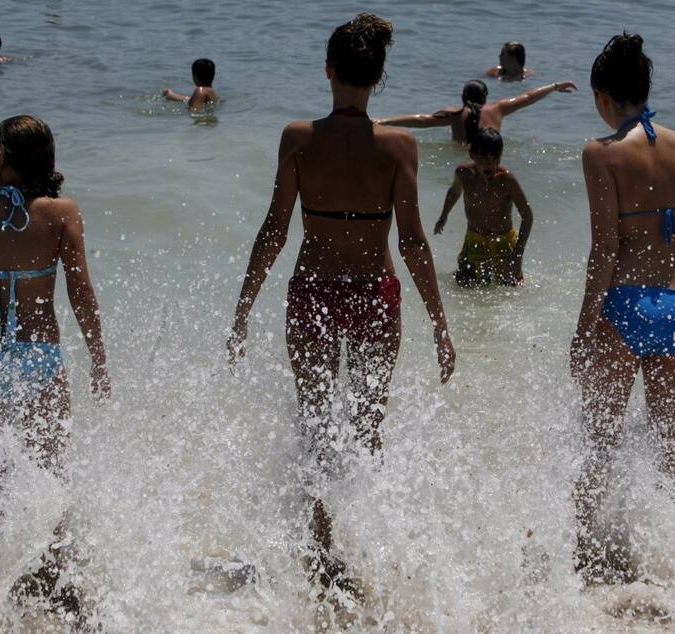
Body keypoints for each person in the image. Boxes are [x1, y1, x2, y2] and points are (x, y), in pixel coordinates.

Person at [226, 13, 454, 599]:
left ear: (329, 71)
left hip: (313, 294)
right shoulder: (399, 145)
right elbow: (411, 240)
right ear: (378, 77)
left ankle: (324, 551)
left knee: (317, 427)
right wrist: (440, 321)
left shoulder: (298, 138)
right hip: (375, 296)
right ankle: (359, 545)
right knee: (368, 428)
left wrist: (244, 307)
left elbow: (274, 230)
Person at [569, 33, 675, 583]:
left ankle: (587, 553)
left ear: (603, 96)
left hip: (624, 305)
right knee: (671, 438)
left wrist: (585, 325)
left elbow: (606, 247)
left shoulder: (601, 153)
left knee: (600, 439)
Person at [0, 115, 110, 613]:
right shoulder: (62, 213)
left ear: (2, 159)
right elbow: (81, 293)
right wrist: (99, 357)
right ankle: (52, 573)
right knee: (50, 467)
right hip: (41, 356)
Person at [433, 128, 533, 287]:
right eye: (484, 158)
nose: (490, 163)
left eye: (495, 158)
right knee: (465, 286)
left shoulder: (507, 180)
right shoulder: (463, 174)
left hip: (504, 243)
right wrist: (443, 216)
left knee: (509, 289)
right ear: (472, 154)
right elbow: (454, 192)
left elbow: (527, 216)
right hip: (474, 240)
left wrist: (518, 254)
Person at [377, 78, 576, 143]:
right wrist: (555, 86)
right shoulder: (499, 108)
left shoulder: (454, 114)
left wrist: (383, 122)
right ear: (485, 97)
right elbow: (528, 97)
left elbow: (421, 120)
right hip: (491, 156)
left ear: (463, 98)